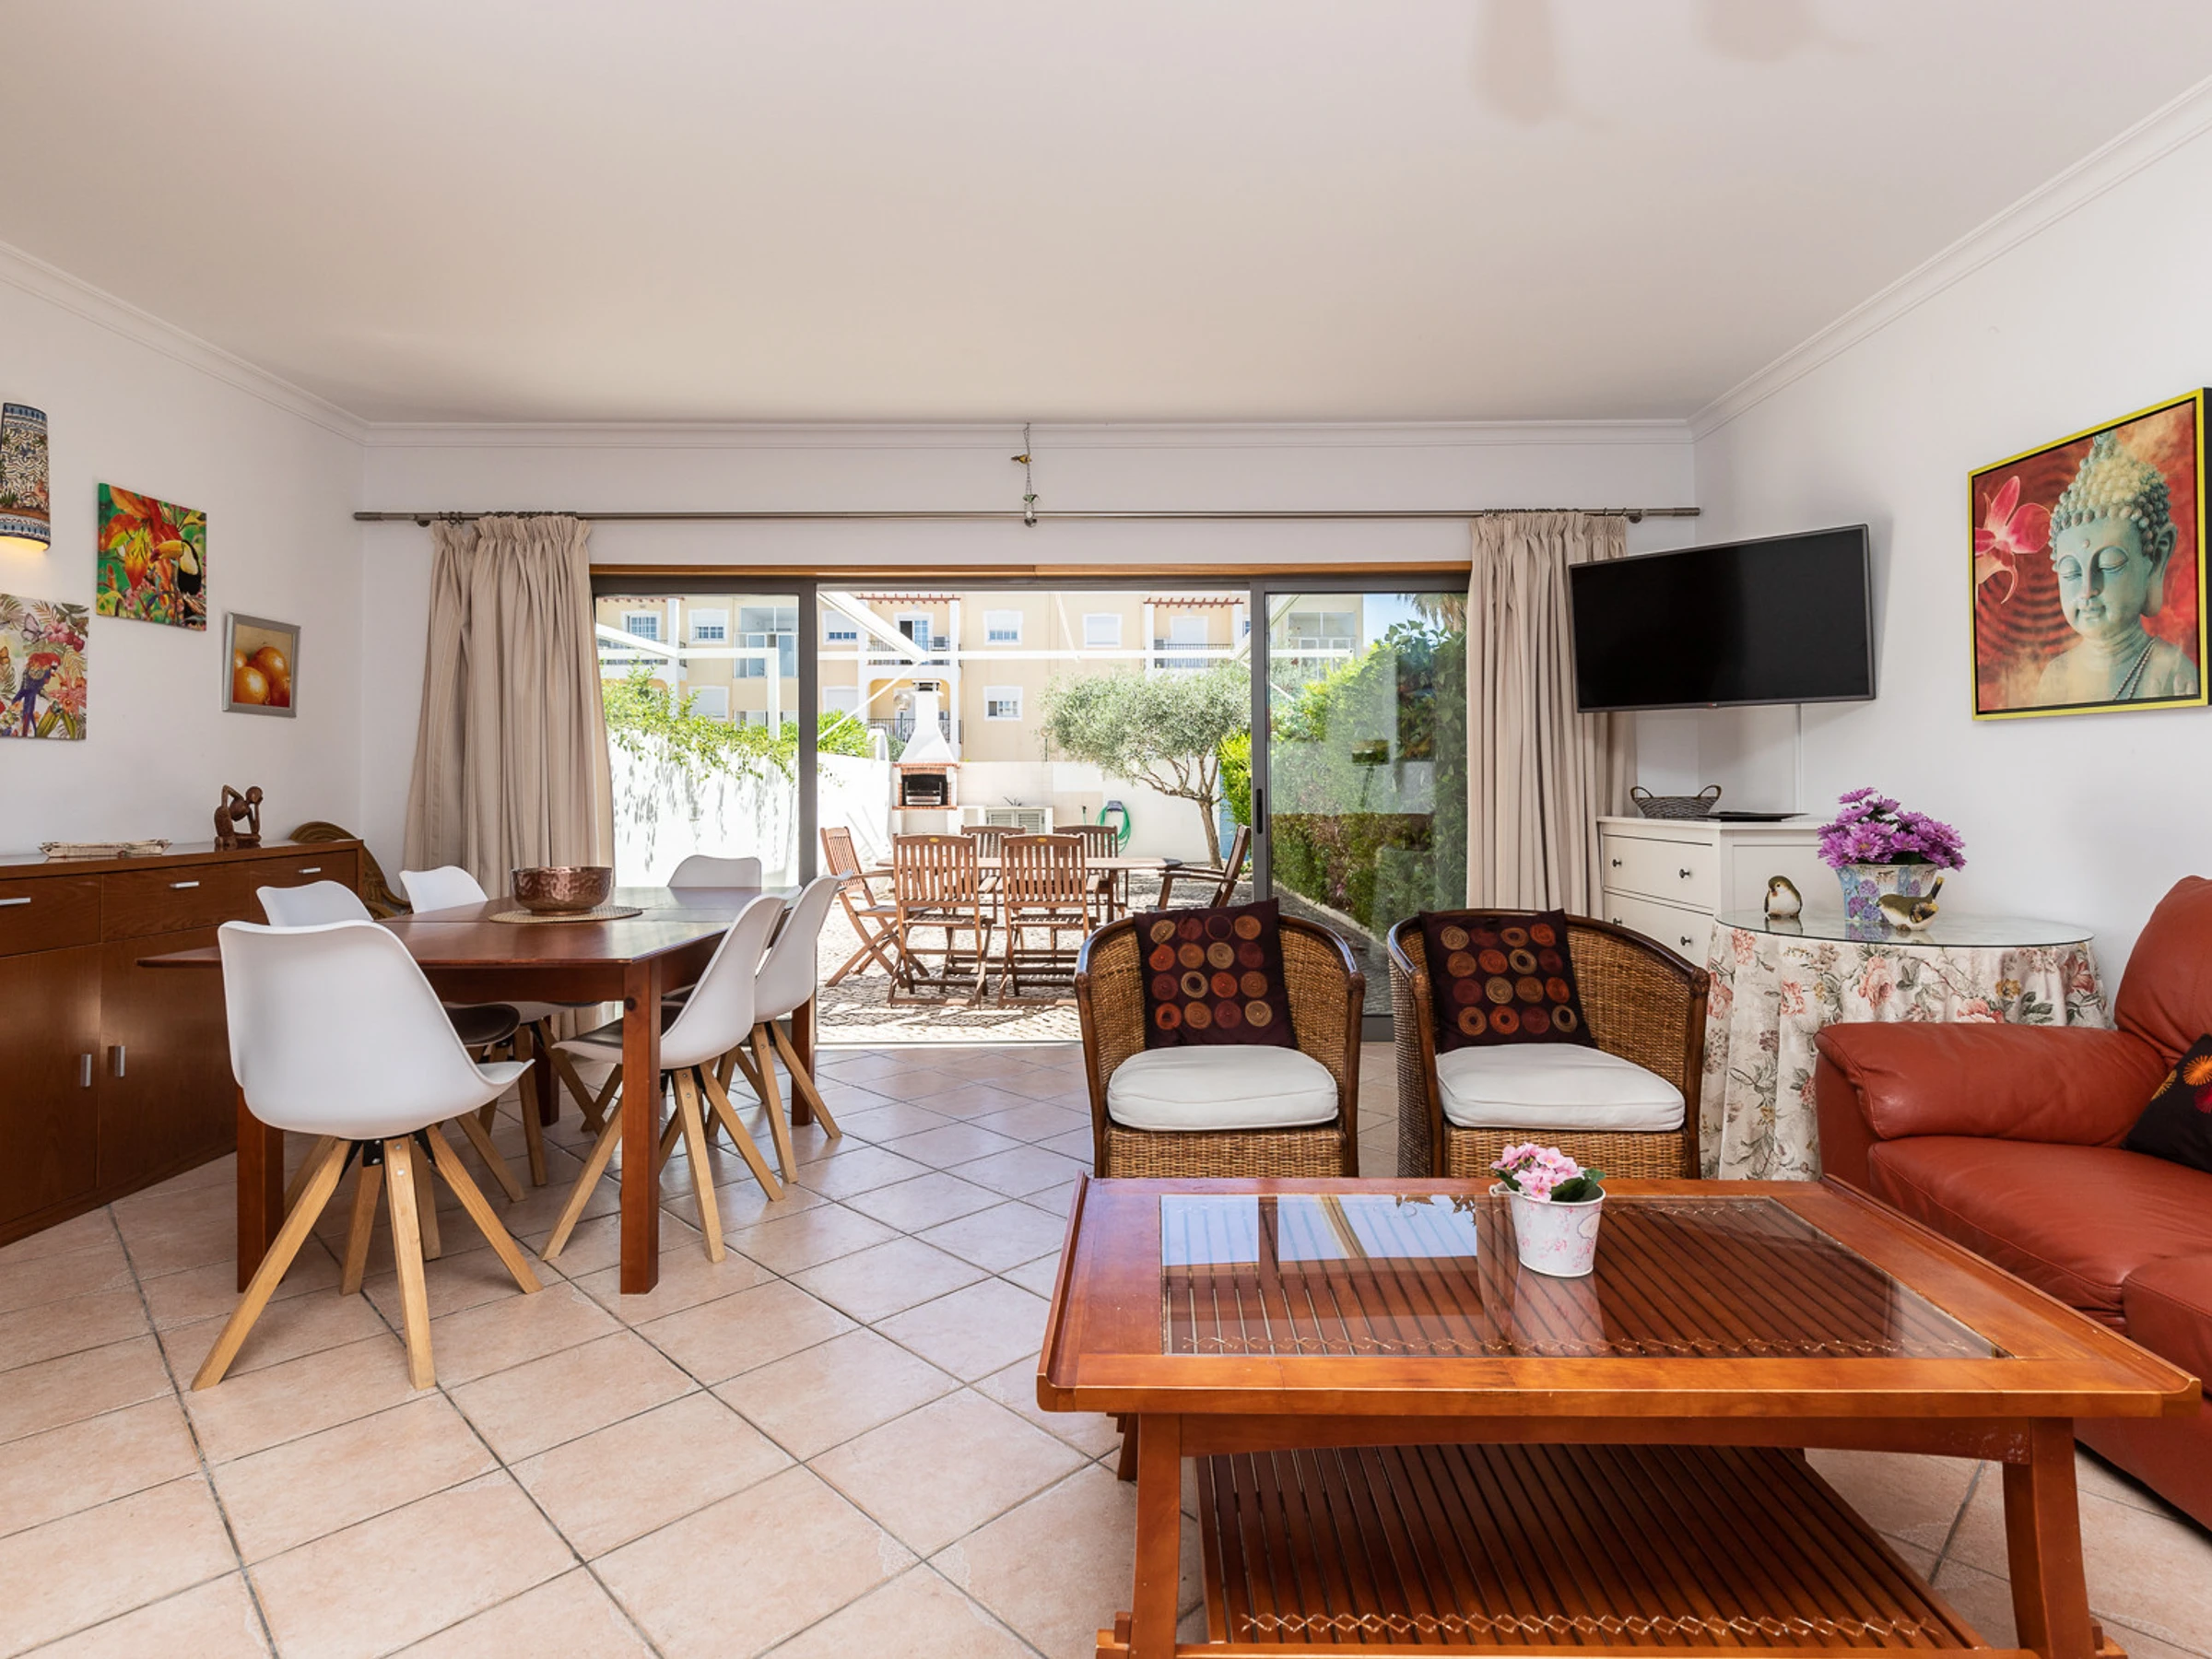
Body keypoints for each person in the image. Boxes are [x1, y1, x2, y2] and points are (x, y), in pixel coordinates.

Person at [2034, 429, 2200, 705]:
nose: (2087, 589)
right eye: (2071, 572)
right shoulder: (2056, 675)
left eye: (2109, 565)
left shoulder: (2170, 671)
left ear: (2156, 559)